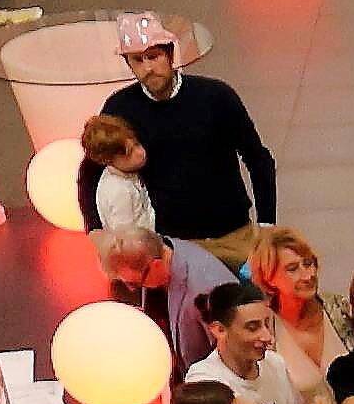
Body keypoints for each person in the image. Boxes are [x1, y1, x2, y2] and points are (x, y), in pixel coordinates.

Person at [97, 28, 274, 254]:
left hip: (232, 235)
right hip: (169, 246)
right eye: (137, 60)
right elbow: (93, 168)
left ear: (170, 54)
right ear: (128, 63)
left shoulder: (216, 96)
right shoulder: (119, 108)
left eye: (154, 56)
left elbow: (258, 159)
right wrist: (95, 230)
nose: (148, 68)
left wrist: (267, 226)